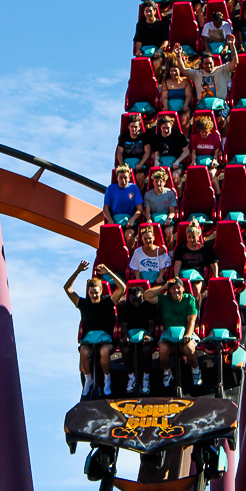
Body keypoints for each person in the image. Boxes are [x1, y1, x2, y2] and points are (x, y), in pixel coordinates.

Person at [63, 259, 125, 397]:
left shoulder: (108, 302)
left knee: (103, 352)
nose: (94, 295)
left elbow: (122, 288)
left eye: (96, 292)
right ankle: (88, 379)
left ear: (101, 291)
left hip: (106, 340)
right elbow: (67, 288)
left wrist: (108, 272)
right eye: (91, 293)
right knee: (84, 352)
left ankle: (107, 379)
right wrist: (78, 271)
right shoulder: (83, 304)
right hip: (89, 340)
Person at [144, 278, 203, 388]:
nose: (176, 291)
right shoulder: (164, 299)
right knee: (163, 348)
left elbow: (192, 320)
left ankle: (196, 371)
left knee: (189, 348)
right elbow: (146, 296)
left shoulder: (190, 300)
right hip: (169, 334)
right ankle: (167, 373)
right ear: (169, 290)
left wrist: (188, 334)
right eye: (173, 289)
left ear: (183, 289)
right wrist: (163, 287)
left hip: (185, 333)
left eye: (178, 288)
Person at [175, 37, 238, 134]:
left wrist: (232, 46)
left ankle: (224, 140)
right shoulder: (197, 74)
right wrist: (178, 56)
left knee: (220, 120)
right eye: (206, 64)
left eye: (210, 63)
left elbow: (234, 62)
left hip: (220, 105)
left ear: (213, 62)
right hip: (203, 105)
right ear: (202, 65)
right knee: (200, 124)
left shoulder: (221, 70)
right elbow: (183, 70)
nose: (208, 66)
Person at [118, 285, 158, 394]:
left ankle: (146, 376)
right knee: (125, 350)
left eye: (138, 299)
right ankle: (131, 376)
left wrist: (149, 334)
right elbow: (124, 324)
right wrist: (125, 335)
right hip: (130, 337)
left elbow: (152, 323)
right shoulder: (126, 306)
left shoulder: (148, 306)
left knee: (146, 350)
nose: (136, 302)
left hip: (145, 336)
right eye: (133, 300)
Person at [173, 219, 219, 306]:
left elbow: (214, 262)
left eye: (193, 237)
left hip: (199, 276)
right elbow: (177, 263)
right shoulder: (181, 248)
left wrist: (216, 276)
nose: (191, 239)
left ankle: (197, 311)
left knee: (196, 289)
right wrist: (176, 276)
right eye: (189, 237)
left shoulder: (205, 249)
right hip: (184, 276)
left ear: (198, 237)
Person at [103, 164, 143, 250]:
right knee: (111, 240)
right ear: (117, 178)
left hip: (129, 222)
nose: (123, 180)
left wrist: (132, 220)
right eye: (120, 177)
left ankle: (132, 258)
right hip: (115, 221)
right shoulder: (111, 189)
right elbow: (105, 208)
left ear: (129, 178)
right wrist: (110, 220)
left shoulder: (133, 188)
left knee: (128, 236)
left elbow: (139, 209)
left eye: (125, 177)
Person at [151, 114, 190, 194]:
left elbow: (186, 151)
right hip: (163, 164)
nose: (166, 130)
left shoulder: (178, 135)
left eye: (168, 128)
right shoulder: (156, 138)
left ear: (171, 126)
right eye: (163, 128)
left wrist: (178, 161)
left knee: (175, 176)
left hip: (175, 164)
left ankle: (179, 197)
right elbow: (156, 153)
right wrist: (156, 161)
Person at [143, 168, 178, 252]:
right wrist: (149, 219)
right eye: (156, 181)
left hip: (166, 220)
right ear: (153, 182)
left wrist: (169, 219)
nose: (158, 183)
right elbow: (147, 212)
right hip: (154, 220)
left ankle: (170, 252)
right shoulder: (148, 195)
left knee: (169, 231)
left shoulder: (170, 193)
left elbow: (172, 211)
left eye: (161, 181)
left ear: (165, 182)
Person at [116, 114, 151, 192]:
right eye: (132, 126)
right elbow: (119, 152)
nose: (133, 129)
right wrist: (121, 164)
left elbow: (147, 151)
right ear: (128, 127)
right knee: (123, 177)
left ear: (139, 127)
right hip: (126, 165)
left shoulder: (144, 136)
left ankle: (139, 195)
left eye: (135, 127)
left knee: (139, 177)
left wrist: (141, 164)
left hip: (139, 165)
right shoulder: (124, 136)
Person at [189, 115, 222, 194]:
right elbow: (193, 152)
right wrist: (193, 161)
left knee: (212, 174)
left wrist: (214, 160)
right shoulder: (194, 138)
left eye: (206, 132)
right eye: (202, 131)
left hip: (210, 163)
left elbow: (216, 153)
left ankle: (218, 194)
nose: (204, 134)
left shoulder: (215, 138)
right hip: (199, 162)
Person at [160, 63, 193, 135]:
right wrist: (165, 105)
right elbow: (164, 97)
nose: (173, 73)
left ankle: (186, 138)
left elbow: (189, 95)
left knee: (184, 119)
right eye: (171, 71)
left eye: (175, 70)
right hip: (170, 107)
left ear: (180, 71)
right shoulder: (167, 82)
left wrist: (186, 104)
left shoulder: (186, 81)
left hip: (183, 107)